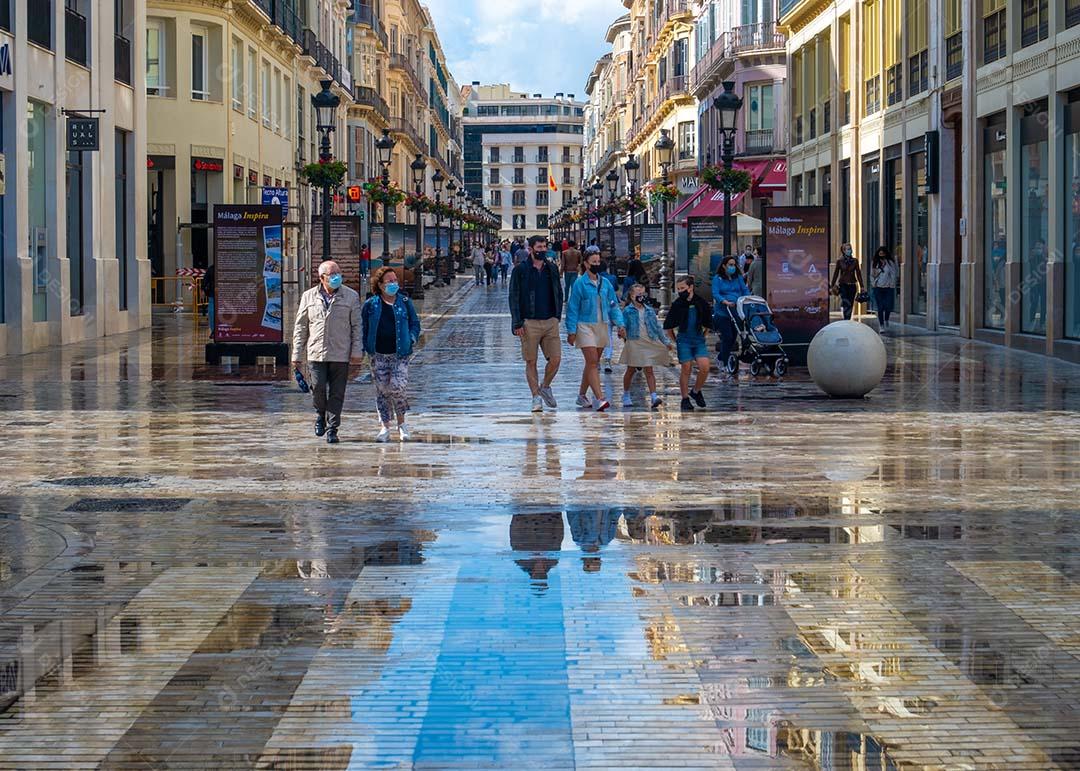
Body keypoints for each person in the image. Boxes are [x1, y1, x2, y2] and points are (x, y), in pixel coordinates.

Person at [291, 260, 364, 444]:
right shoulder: (308, 297)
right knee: (318, 389)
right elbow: (301, 328)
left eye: (338, 273)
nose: (336, 277)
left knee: (337, 393)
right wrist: (296, 355)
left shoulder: (351, 296)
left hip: (341, 353)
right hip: (316, 353)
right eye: (332, 275)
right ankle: (320, 414)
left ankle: (333, 428)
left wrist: (357, 353)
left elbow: (357, 327)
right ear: (322, 278)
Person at [361, 266, 421, 442]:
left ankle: (402, 424)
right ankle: (385, 427)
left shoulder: (404, 301)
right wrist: (365, 346)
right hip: (378, 354)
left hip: (400, 353)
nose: (394, 284)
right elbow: (363, 327)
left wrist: (411, 338)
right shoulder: (371, 305)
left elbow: (415, 323)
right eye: (389, 281)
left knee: (397, 386)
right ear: (380, 285)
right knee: (382, 391)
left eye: (395, 280)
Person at [509, 235, 563, 412]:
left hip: (550, 321)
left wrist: (557, 316)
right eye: (539, 247)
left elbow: (558, 291)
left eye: (544, 246)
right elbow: (514, 297)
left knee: (555, 359)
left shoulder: (552, 268)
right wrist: (517, 323)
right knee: (531, 361)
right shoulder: (521, 270)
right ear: (531, 249)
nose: (542, 250)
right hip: (529, 322)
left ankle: (545, 386)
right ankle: (535, 397)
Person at [567, 248, 625, 411]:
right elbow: (573, 308)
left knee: (591, 363)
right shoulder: (580, 284)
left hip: (602, 325)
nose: (597, 265)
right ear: (585, 264)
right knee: (593, 362)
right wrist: (571, 331)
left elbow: (614, 306)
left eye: (598, 262)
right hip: (585, 325)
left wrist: (620, 324)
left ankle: (581, 396)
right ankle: (600, 398)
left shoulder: (605, 284)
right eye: (593, 262)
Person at [618, 282, 672, 409]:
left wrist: (665, 341)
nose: (641, 296)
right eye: (638, 294)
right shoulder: (627, 311)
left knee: (649, 369)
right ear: (631, 296)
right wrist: (621, 333)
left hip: (648, 341)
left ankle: (653, 396)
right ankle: (626, 394)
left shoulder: (649, 311)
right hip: (634, 341)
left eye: (643, 294)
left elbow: (657, 328)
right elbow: (622, 325)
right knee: (631, 369)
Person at [664, 275, 712, 411]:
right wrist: (675, 340)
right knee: (686, 367)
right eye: (678, 289)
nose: (680, 291)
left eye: (683, 288)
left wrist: (704, 335)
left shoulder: (700, 302)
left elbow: (707, 321)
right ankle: (684, 398)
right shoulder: (678, 304)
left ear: (691, 288)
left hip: (698, 340)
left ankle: (696, 391)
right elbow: (668, 326)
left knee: (705, 367)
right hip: (684, 340)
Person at [712, 255, 751, 375]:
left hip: (737, 311)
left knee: (734, 337)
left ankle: (721, 356)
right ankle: (723, 361)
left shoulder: (738, 278)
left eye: (734, 265)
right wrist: (724, 301)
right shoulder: (718, 279)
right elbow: (715, 293)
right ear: (724, 266)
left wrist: (747, 298)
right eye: (730, 265)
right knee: (727, 336)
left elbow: (744, 290)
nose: (732, 267)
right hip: (723, 312)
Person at [830, 243, 865, 320]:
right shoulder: (840, 261)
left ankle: (848, 318)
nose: (850, 250)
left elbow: (858, 274)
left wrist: (862, 286)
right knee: (846, 302)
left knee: (851, 302)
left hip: (852, 285)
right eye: (848, 249)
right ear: (843, 251)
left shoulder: (855, 261)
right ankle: (846, 318)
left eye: (850, 249)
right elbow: (836, 274)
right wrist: (832, 285)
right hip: (843, 285)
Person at [870, 245, 899, 332]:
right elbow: (872, 274)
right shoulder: (875, 262)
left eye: (883, 253)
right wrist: (873, 283)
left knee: (888, 306)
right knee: (880, 307)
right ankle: (881, 325)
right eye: (880, 253)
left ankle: (886, 319)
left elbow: (894, 273)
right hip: (878, 287)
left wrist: (893, 284)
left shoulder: (890, 262)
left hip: (888, 287)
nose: (881, 255)